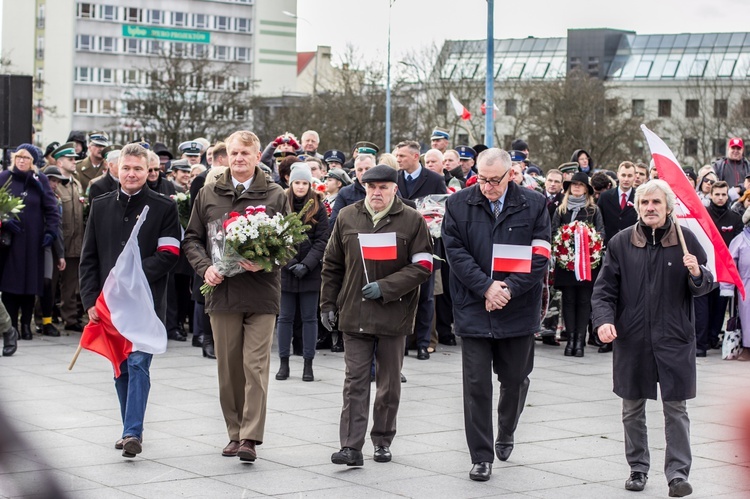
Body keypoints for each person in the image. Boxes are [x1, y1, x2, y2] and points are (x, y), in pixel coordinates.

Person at [591, 179, 712, 497]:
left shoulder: (685, 241)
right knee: (632, 407)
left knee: (676, 408)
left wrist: (697, 274)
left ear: (668, 207)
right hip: (632, 338)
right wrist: (604, 321)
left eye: (656, 202)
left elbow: (705, 284)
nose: (650, 208)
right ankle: (637, 469)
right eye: (644, 203)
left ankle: (677, 474)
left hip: (674, 337)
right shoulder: (620, 242)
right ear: (637, 207)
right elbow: (604, 290)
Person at [442, 148, 550, 482]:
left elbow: (540, 255)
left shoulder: (535, 204)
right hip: (474, 306)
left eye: (494, 181)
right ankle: (481, 455)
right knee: (476, 384)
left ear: (511, 175)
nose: (487, 186)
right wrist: (487, 288)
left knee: (515, 380)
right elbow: (455, 253)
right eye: (482, 179)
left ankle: (506, 429)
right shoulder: (459, 203)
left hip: (517, 308)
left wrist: (507, 290)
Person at [184, 130, 289, 462]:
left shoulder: (274, 195)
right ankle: (234, 432)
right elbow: (192, 239)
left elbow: (291, 243)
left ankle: (250, 438)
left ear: (258, 156)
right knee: (229, 369)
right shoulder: (208, 193)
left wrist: (265, 261)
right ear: (225, 156)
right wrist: (205, 268)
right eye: (233, 153)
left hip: (262, 293)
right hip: (222, 292)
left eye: (245, 152)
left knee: (254, 365)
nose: (239, 158)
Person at [321, 164, 432, 467]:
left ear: (395, 189)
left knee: (388, 383)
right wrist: (327, 304)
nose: (376, 192)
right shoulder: (347, 216)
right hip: (354, 312)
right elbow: (332, 265)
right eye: (371, 187)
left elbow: (423, 266)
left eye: (383, 187)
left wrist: (386, 287)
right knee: (354, 381)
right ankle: (350, 447)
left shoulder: (412, 220)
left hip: (393, 314)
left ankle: (382, 439)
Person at [79, 143, 181, 458]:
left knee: (138, 363)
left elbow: (169, 254)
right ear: (117, 169)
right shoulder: (100, 204)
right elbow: (89, 259)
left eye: (138, 168)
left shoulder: (164, 207)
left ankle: (131, 432)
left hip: (146, 304)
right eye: (127, 168)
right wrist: (89, 301)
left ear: (149, 171)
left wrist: (130, 277)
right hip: (109, 306)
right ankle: (129, 428)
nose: (132, 174)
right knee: (120, 366)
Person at [275, 163, 329, 382]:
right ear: (291, 183)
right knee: (285, 318)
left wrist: (306, 264)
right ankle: (284, 363)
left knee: (309, 318)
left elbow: (322, 239)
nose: (300, 186)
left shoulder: (318, 206)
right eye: (297, 182)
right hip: (287, 271)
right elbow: (276, 236)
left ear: (310, 184)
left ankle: (308, 364)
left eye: (304, 183)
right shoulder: (282, 203)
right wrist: (290, 263)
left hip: (310, 271)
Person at [0, 145, 60, 341]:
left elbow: (51, 208)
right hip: (11, 242)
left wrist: (51, 231)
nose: (22, 161)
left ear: (33, 162)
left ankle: (26, 325)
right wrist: (5, 222)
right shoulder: (4, 177)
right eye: (19, 157)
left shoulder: (40, 180)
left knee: (30, 285)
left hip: (34, 241)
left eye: (26, 158)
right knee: (10, 285)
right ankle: (12, 327)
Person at [396, 141, 447, 360]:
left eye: (403, 156)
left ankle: (424, 344)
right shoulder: (395, 178)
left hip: (427, 245)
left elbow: (441, 209)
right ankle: (405, 342)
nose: (398, 160)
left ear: (416, 156)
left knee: (426, 298)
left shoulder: (435, 179)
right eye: (397, 156)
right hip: (401, 247)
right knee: (404, 296)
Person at [551, 172, 605, 357]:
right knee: (568, 300)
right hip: (566, 263)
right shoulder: (561, 210)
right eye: (573, 184)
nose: (576, 187)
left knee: (584, 300)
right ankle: (570, 339)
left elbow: (601, 233)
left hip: (587, 265)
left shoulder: (593, 210)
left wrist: (591, 244)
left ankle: (580, 341)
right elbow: (553, 232)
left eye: (580, 185)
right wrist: (563, 245)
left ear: (586, 189)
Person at [694, 180, 743, 356]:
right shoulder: (702, 216)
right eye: (717, 194)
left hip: (725, 269)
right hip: (706, 267)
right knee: (702, 306)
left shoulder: (735, 218)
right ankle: (702, 340)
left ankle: (714, 337)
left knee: (720, 306)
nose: (721, 198)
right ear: (711, 195)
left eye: (724, 194)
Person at [50, 143, 85, 332]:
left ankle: (70, 319)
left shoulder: (76, 183)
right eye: (70, 159)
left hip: (75, 241)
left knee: (71, 284)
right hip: (57, 241)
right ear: (60, 162)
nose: (74, 162)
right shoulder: (53, 183)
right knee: (50, 282)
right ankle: (43, 318)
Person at [723, 209, 750, 360]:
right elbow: (730, 266)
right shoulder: (740, 240)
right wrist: (727, 287)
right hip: (746, 284)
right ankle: (747, 347)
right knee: (747, 317)